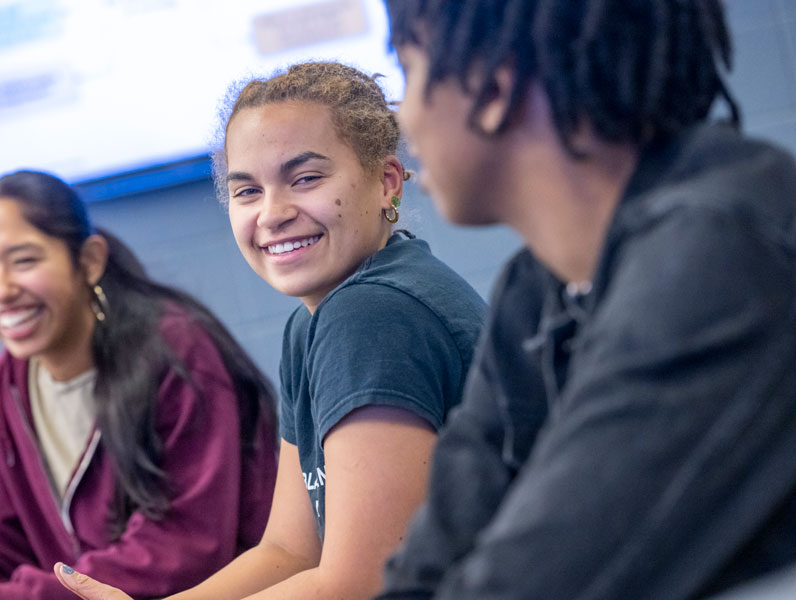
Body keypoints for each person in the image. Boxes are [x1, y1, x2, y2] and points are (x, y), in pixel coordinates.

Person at [375, 1, 796, 599]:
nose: (404, 119)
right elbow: (427, 567)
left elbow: (535, 583)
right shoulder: (535, 288)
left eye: (409, 71)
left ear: (493, 90)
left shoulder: (723, 249)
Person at [52, 61, 487, 600]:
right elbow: (289, 551)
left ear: (386, 182)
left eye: (305, 179)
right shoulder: (314, 323)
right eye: (247, 192)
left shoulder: (374, 315)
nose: (272, 213)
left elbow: (361, 583)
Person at [0, 170, 278, 600]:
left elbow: (184, 548)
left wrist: (4, 597)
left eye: (24, 261)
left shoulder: (176, 350)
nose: (0, 290)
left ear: (89, 261)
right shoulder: (9, 384)